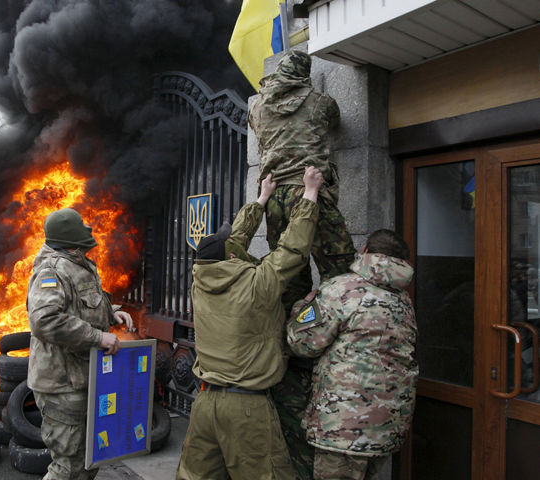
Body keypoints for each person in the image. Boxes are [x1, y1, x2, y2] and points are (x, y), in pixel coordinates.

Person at [248, 50, 357, 478]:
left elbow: (259, 123)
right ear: (305, 77)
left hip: (274, 200)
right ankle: (337, 340)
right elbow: (334, 121)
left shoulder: (256, 104)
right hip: (312, 195)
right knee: (340, 272)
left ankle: (296, 341)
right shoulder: (318, 100)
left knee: (289, 277)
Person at [176, 167, 323, 480]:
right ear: (232, 259)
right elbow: (292, 251)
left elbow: (233, 242)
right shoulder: (257, 284)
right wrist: (309, 194)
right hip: (246, 408)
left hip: (205, 403)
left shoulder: (199, 281)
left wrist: (261, 200)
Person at [287, 230, 418, 480]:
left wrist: (301, 307)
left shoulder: (341, 288)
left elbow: (301, 343)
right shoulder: (403, 299)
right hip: (387, 426)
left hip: (342, 427)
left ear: (365, 250)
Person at [27, 208, 133, 480]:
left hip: (83, 377)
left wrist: (112, 314)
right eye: (81, 224)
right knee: (68, 466)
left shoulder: (75, 262)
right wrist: (98, 337)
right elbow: (44, 320)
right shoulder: (52, 270)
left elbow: (81, 306)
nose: (87, 228)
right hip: (62, 384)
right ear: (68, 235)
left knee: (90, 458)